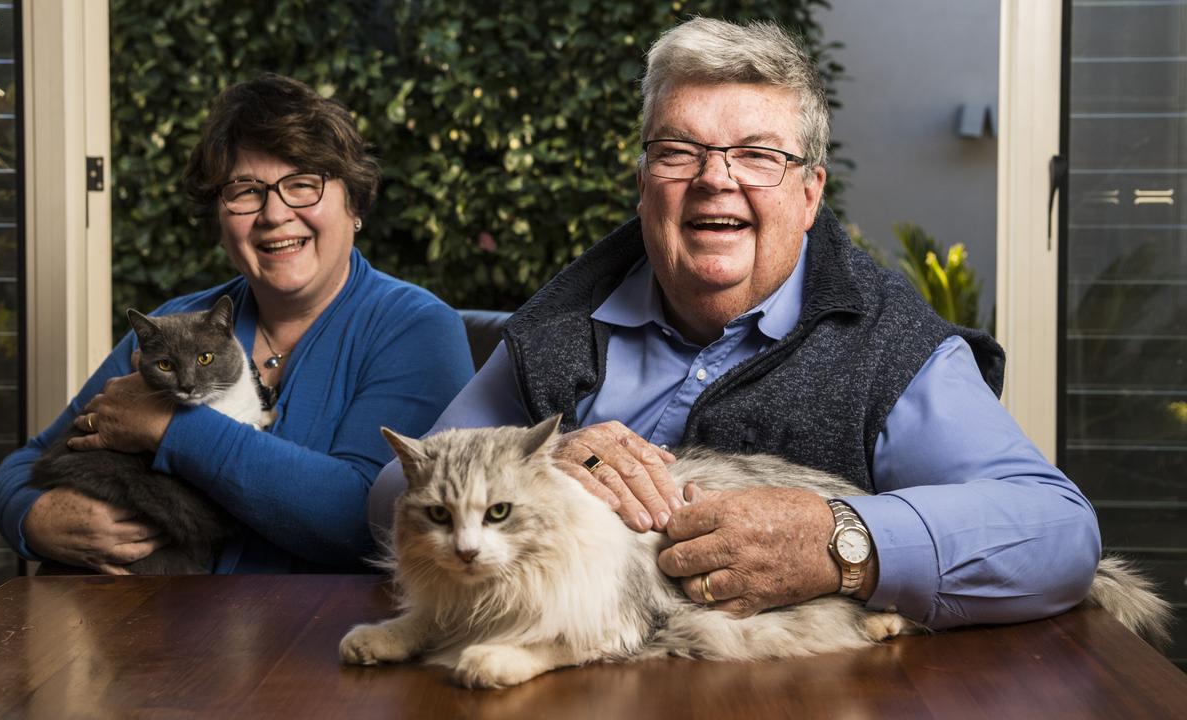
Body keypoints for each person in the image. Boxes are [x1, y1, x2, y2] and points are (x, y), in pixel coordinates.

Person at [369, 19, 1100, 629]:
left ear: (810, 194)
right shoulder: (558, 325)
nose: (715, 178)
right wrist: (542, 469)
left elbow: (1060, 531)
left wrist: (845, 540)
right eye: (679, 151)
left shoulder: (891, 345)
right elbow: (387, 494)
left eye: (757, 155)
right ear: (644, 182)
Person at [0, 74, 474, 574]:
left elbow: (368, 522)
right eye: (245, 191)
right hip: (131, 624)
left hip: (315, 636)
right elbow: (23, 466)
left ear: (354, 203)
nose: (274, 214)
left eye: (303, 185)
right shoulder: (178, 325)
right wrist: (36, 518)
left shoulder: (418, 329)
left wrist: (168, 427)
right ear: (222, 219)